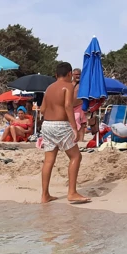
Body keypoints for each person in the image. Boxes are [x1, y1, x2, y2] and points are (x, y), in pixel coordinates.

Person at [39, 62, 90, 204]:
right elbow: (68, 106)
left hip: (47, 125)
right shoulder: (68, 86)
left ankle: (45, 195)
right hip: (61, 125)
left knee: (49, 160)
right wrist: (74, 127)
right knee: (76, 157)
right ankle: (72, 193)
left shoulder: (49, 88)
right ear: (69, 74)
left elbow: (42, 109)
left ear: (56, 75)